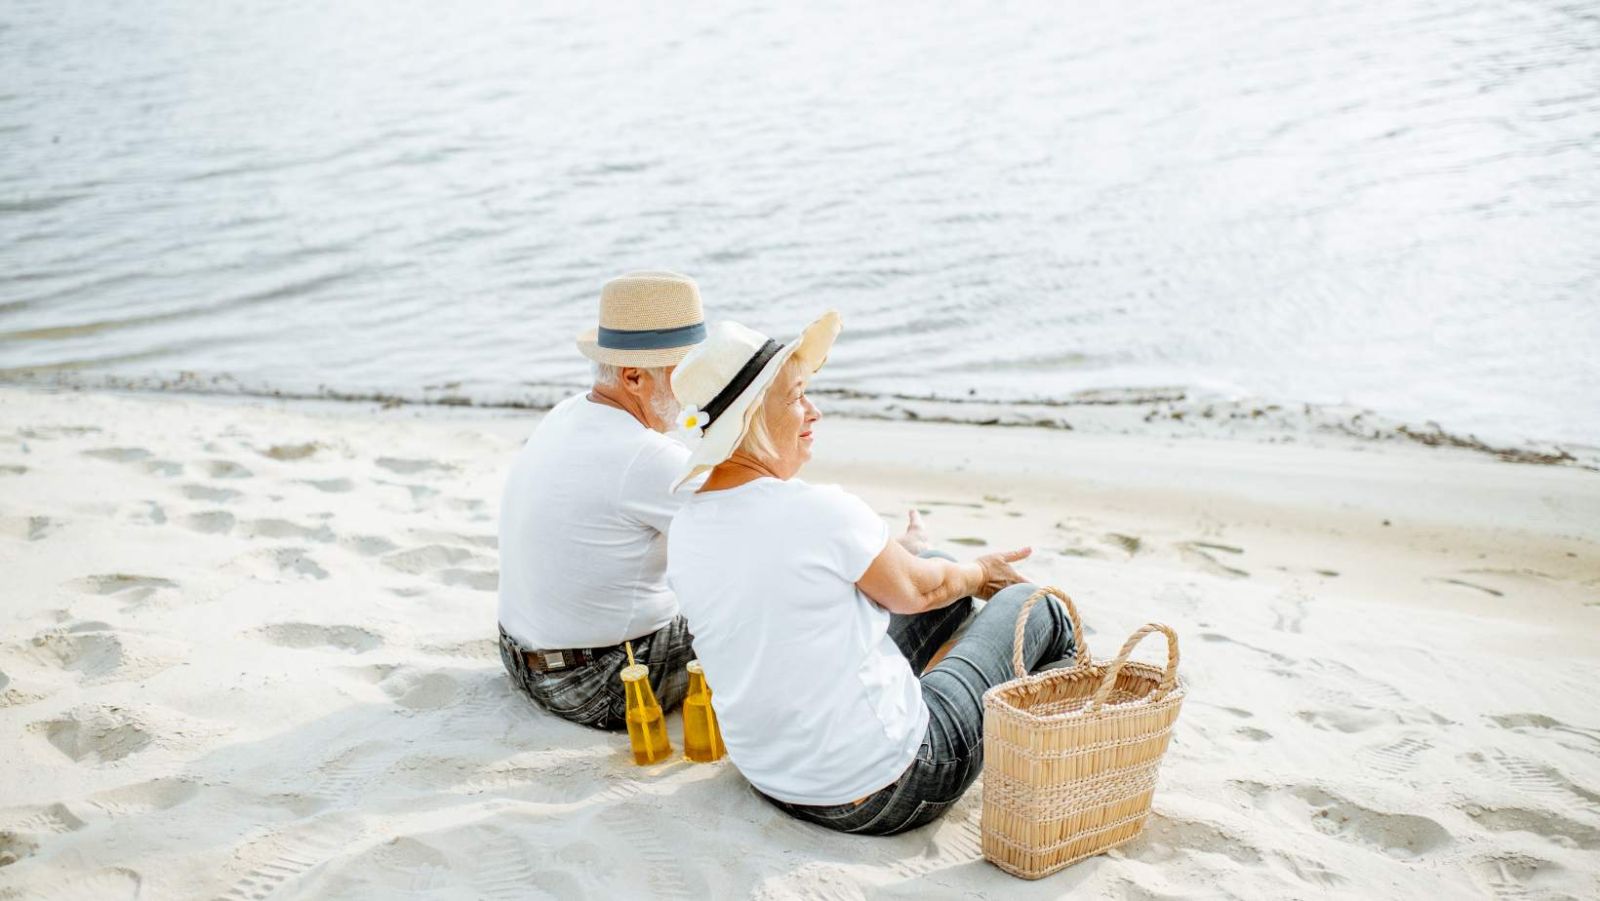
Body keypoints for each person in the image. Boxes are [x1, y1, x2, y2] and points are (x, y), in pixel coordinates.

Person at [665, 312, 1079, 835]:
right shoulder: (818, 511)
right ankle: (1066, 750)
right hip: (887, 787)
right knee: (1040, 607)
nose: (813, 411)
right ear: (749, 422)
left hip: (772, 777)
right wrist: (981, 572)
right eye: (794, 398)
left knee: (927, 567)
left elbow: (809, 592)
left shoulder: (687, 527)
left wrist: (907, 560)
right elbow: (920, 591)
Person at [497, 271, 708, 730]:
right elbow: (757, 536)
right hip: (601, 683)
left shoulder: (568, 412)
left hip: (520, 659)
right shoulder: (648, 457)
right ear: (633, 377)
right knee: (764, 609)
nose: (702, 388)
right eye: (689, 372)